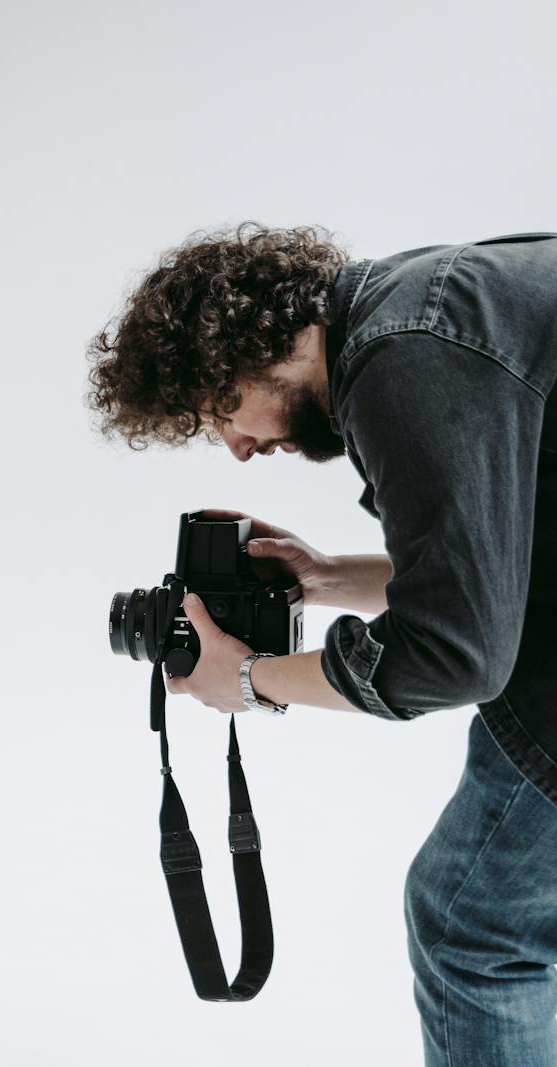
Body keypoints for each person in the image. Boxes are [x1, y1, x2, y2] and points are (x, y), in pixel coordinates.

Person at [85, 223, 557, 1065]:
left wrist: (254, 679)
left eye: (221, 411)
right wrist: (323, 574)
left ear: (252, 345)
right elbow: (489, 571)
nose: (237, 448)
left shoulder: (405, 360)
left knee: (473, 926)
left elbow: (454, 655)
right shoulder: (424, 302)